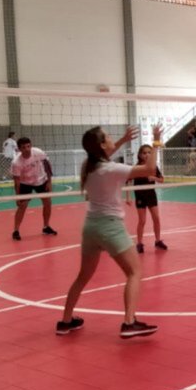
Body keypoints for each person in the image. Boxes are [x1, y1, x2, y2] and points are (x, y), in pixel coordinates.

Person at [57, 125, 160, 339]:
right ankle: (129, 322)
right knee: (134, 272)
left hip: (91, 227)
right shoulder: (112, 169)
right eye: (108, 137)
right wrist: (157, 142)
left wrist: (121, 140)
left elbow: (103, 155)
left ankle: (65, 321)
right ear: (102, 145)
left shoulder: (89, 166)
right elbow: (150, 170)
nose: (112, 138)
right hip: (110, 226)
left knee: (83, 276)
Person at [11, 137, 57, 241]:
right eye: (23, 147)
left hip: (41, 180)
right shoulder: (16, 163)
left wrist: (49, 182)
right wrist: (18, 196)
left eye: (28, 146)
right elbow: (17, 181)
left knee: (47, 202)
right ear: (19, 149)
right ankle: (16, 230)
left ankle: (46, 227)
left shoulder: (38, 153)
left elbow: (47, 166)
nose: (27, 149)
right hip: (25, 183)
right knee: (22, 206)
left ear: (31, 145)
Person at [130, 145, 166, 254]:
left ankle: (158, 241)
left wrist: (154, 178)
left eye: (149, 152)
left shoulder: (153, 167)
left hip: (151, 195)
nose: (147, 155)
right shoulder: (136, 168)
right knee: (142, 221)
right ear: (140, 155)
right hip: (140, 196)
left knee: (156, 218)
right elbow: (127, 180)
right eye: (144, 153)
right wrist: (127, 198)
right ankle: (139, 244)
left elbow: (162, 180)